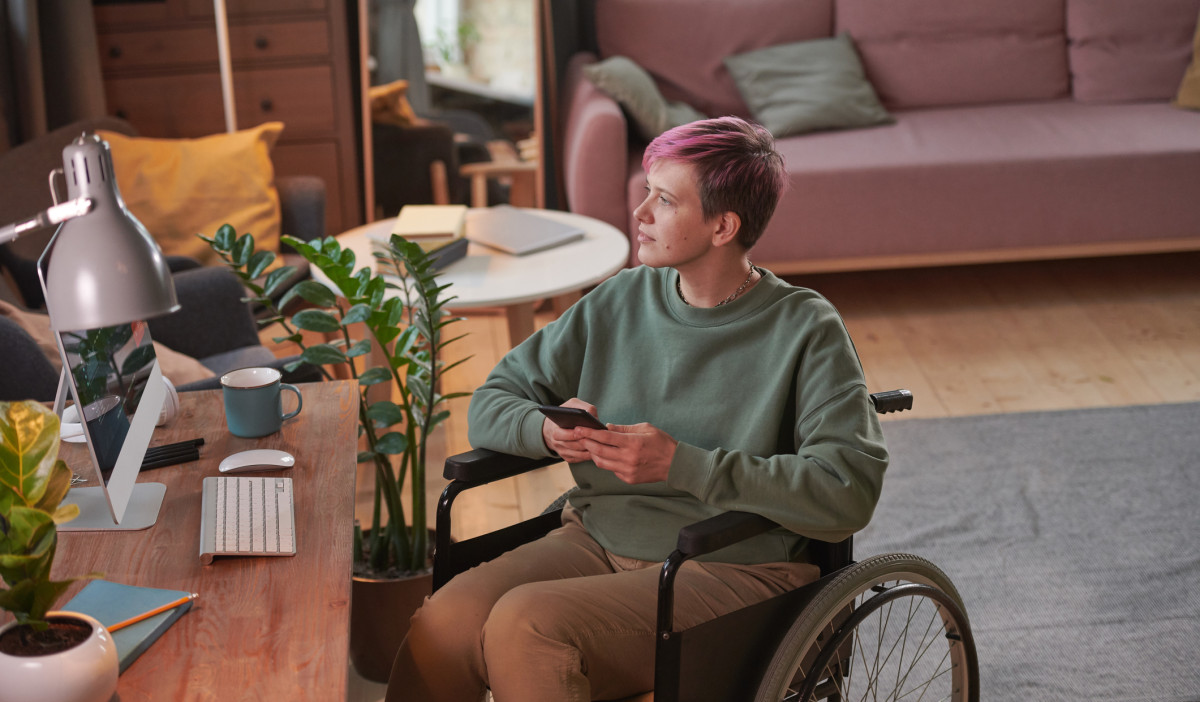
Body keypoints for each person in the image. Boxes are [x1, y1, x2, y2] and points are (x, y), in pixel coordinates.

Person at [386, 116, 888, 702]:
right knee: (441, 626)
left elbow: (848, 490)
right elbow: (493, 401)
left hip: (733, 566)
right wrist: (547, 432)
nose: (640, 212)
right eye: (645, 191)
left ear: (724, 225)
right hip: (597, 538)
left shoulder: (804, 328)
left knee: (527, 626)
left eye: (665, 199)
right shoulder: (621, 299)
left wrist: (681, 464)